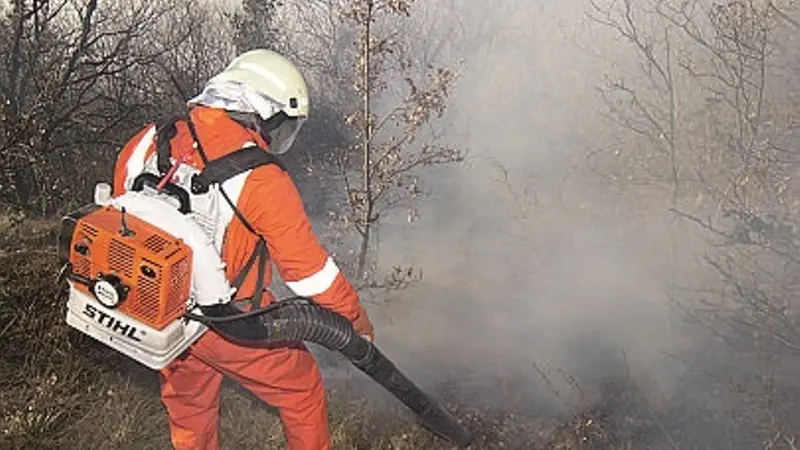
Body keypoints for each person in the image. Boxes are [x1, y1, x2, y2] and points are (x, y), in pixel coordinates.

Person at [111, 49, 375, 450]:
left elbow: (120, 215)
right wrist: (355, 326)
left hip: (157, 312)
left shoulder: (147, 140)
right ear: (260, 110)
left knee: (190, 405)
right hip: (229, 321)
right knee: (302, 390)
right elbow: (310, 275)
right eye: (280, 126)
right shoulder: (260, 178)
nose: (276, 137)